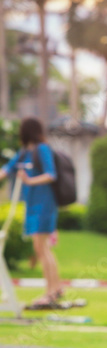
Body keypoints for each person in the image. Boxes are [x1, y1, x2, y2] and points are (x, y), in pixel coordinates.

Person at [0, 117, 62, 309]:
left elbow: (51, 175)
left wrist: (29, 181)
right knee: (42, 249)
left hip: (44, 205)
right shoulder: (24, 152)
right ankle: (56, 289)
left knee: (41, 248)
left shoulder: (42, 149)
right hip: (32, 206)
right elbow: (7, 169)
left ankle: (51, 292)